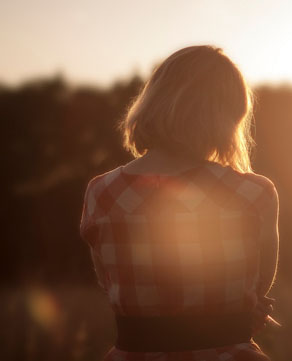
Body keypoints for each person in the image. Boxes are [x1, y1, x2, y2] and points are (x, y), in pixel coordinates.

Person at [79, 45, 279, 361]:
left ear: (154, 101)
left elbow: (111, 284)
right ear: (228, 116)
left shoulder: (101, 192)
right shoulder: (254, 193)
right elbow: (257, 287)